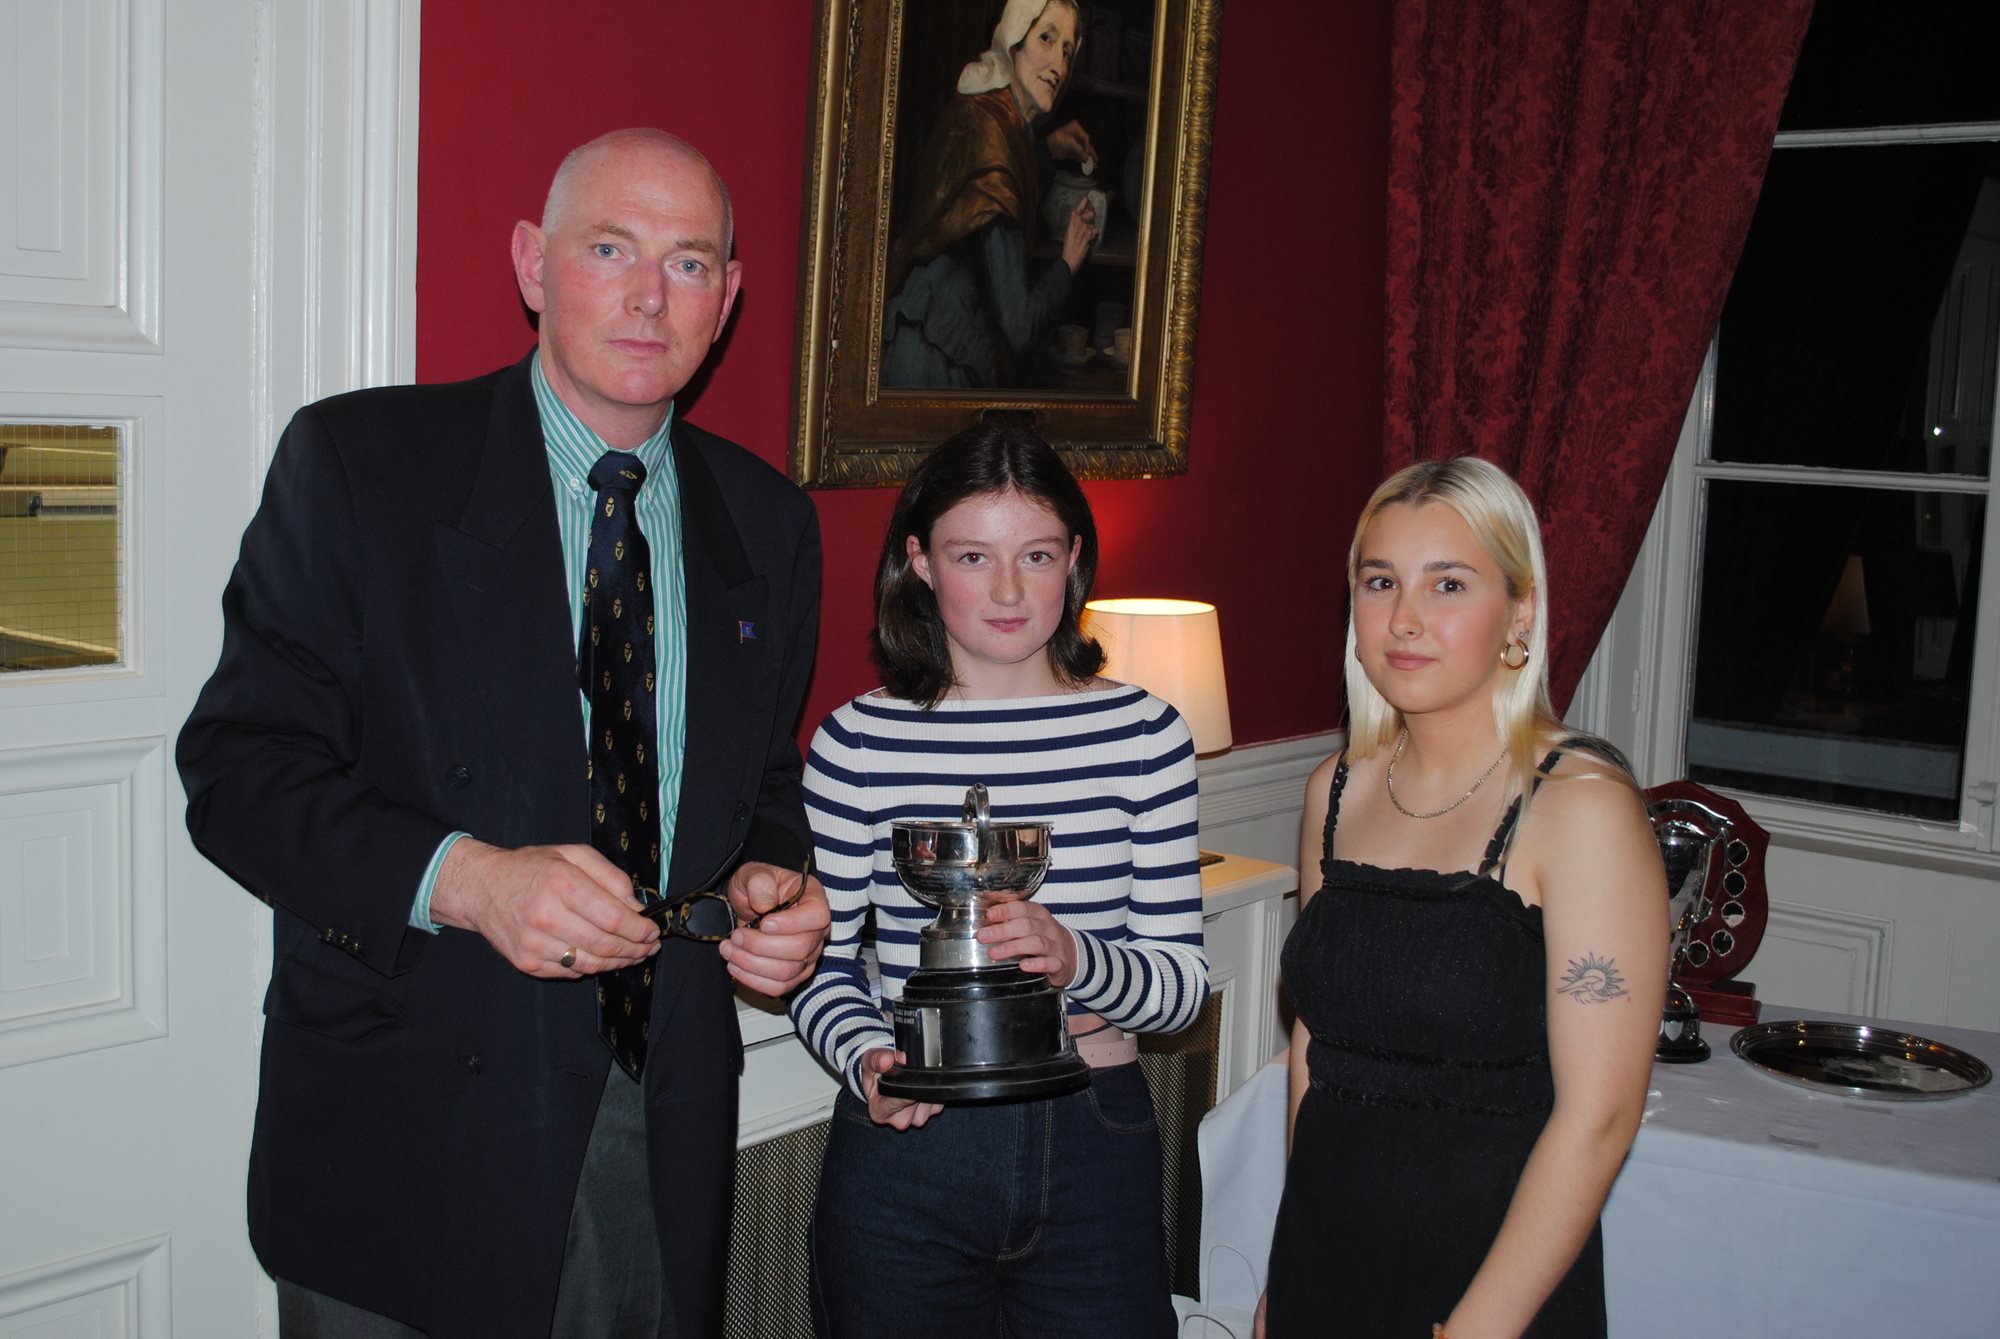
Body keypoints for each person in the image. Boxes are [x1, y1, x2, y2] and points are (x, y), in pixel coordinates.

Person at [176, 128, 829, 1339]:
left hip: (660, 1110)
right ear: (533, 263)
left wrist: (770, 880)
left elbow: (765, 781)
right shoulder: (362, 464)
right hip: (413, 1116)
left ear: (729, 296)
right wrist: (468, 880)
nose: (649, 296)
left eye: (689, 263)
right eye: (609, 249)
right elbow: (238, 772)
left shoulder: (768, 520)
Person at [790, 422, 1206, 1337]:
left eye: (1038, 555)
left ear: (1075, 559)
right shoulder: (856, 742)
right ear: (920, 562)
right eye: (973, 556)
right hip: (909, 1145)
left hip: (1093, 1134)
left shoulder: (1145, 735)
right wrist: (870, 1060)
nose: (1010, 591)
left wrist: (1075, 957)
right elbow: (823, 968)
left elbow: (1181, 989)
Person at [1260, 458, 1668, 1339]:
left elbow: (1600, 1117)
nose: (1404, 618)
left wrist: (1482, 1325)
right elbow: (1314, 1050)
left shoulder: (1580, 806)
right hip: (1325, 1272)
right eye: (1381, 582)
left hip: (1495, 1288)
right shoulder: (1335, 790)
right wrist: (1286, 1273)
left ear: (1520, 613)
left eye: (1448, 584)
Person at [881, 0, 1101, 388]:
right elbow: (1019, 326)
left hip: (923, 330)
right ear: (1015, 41)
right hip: (936, 357)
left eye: (1067, 51)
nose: (1060, 67)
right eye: (1046, 39)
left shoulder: (987, 111)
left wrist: (1046, 149)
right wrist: (1068, 261)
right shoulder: (993, 146)